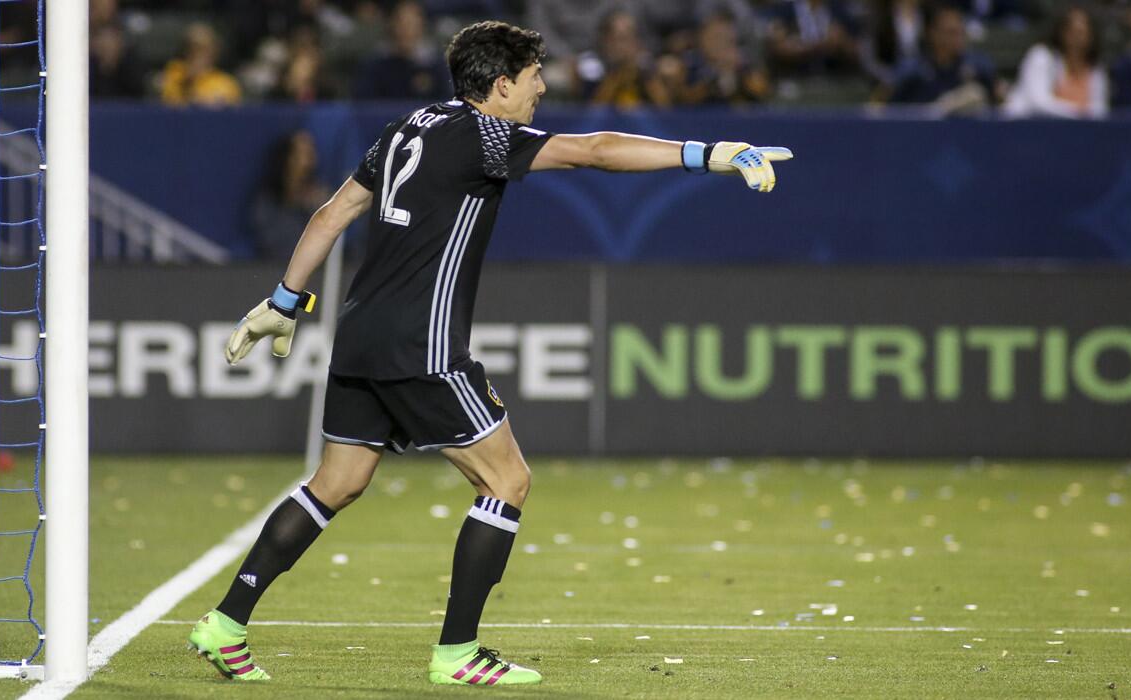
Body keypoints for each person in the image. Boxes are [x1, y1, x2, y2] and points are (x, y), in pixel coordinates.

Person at [187, 19, 791, 687]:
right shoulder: (485, 135)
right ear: (500, 86)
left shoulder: (408, 126)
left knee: (337, 484)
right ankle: (457, 653)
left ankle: (225, 623)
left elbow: (332, 212)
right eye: (534, 78)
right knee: (507, 481)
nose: (540, 89)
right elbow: (594, 150)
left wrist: (282, 301)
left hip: (361, 334)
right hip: (425, 344)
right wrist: (710, 152)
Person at [886, 4, 1000, 116]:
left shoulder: (979, 68)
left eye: (961, 32)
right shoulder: (910, 72)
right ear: (931, 33)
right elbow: (886, 111)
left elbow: (1000, 107)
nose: (958, 38)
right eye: (951, 32)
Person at [1004, 6, 1107, 119]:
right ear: (1061, 32)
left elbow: (1099, 109)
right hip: (1027, 126)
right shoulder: (1041, 57)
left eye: (1082, 32)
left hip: (1075, 131)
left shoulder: (1096, 67)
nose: (1077, 38)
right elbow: (1038, 103)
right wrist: (1078, 112)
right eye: (1072, 31)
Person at [250, 130, 331, 259]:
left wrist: (321, 211)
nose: (310, 161)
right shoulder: (267, 201)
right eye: (303, 155)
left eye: (311, 154)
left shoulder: (322, 200)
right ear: (287, 159)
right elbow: (272, 244)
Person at [160, 22, 243, 107]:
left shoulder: (226, 82)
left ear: (215, 51)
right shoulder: (175, 72)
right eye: (192, 47)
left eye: (203, 48)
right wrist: (188, 83)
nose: (197, 53)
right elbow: (168, 102)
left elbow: (230, 108)